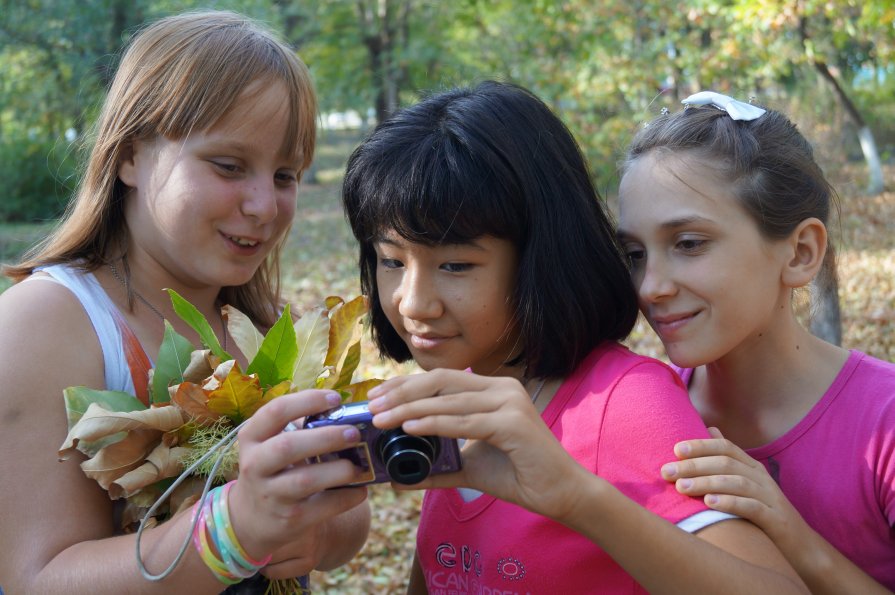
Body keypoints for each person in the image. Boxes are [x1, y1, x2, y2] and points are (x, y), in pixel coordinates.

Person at [340, 80, 807, 594]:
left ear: (541, 255)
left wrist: (577, 498)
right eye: (390, 260)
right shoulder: (464, 397)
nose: (412, 302)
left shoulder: (623, 402)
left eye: (455, 264)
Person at [0, 10, 370, 593]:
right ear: (129, 156)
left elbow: (347, 522)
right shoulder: (48, 325)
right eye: (229, 166)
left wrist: (314, 531)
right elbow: (36, 580)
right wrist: (232, 531)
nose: (263, 207)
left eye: (285, 175)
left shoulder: (273, 329)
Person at [615, 91, 895, 593]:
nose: (650, 286)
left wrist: (789, 533)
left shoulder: (885, 426)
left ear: (800, 252)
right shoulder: (639, 412)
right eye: (635, 253)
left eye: (689, 244)